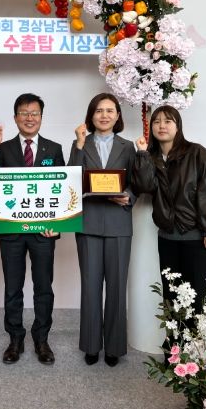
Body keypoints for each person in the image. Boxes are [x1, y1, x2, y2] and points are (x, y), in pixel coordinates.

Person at [0, 93, 65, 365]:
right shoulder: (3, 148)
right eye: (24, 113)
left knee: (44, 287)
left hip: (43, 233)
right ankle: (15, 339)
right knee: (12, 288)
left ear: (41, 117)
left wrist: (57, 226)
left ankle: (42, 339)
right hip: (12, 232)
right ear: (15, 117)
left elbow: (62, 189)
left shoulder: (54, 149)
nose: (30, 118)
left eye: (35, 113)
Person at [133, 105, 206, 324]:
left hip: (199, 239)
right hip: (167, 238)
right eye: (156, 122)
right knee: (172, 298)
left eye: (168, 121)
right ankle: (174, 346)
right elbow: (144, 186)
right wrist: (142, 155)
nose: (161, 126)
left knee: (199, 300)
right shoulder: (152, 157)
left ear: (178, 126)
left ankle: (196, 345)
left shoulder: (197, 153)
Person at [68, 93, 136, 367]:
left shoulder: (128, 147)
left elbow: (136, 182)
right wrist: (79, 144)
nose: (104, 115)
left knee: (117, 289)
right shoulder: (80, 144)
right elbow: (72, 179)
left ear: (118, 115)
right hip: (89, 223)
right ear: (91, 115)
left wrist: (128, 196)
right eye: (99, 111)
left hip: (119, 223)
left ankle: (114, 347)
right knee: (90, 287)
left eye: (109, 110)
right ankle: (91, 345)